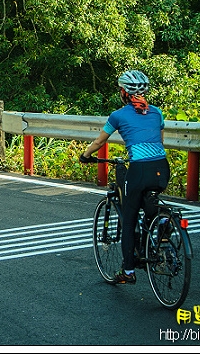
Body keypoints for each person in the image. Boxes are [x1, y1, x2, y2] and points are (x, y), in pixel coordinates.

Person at [79, 70, 170, 284]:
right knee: (150, 206)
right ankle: (161, 223)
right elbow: (160, 141)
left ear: (123, 92)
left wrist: (85, 155)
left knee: (128, 220)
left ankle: (128, 271)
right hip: (161, 168)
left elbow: (100, 142)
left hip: (139, 169)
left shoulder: (118, 116)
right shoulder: (157, 112)